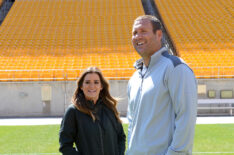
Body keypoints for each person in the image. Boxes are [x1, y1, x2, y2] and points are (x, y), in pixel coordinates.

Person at [127, 15, 197, 155]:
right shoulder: (134, 78)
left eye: (143, 31)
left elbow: (186, 118)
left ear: (159, 35)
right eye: (135, 33)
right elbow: (131, 124)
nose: (138, 36)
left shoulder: (176, 68)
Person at [59, 67, 126, 155]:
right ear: (81, 86)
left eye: (96, 82)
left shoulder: (110, 108)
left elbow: (121, 137)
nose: (92, 86)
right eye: (87, 82)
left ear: (101, 86)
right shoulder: (73, 111)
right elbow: (65, 146)